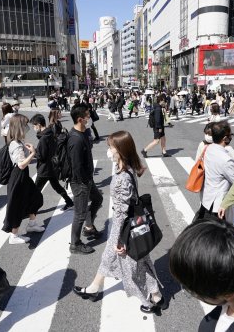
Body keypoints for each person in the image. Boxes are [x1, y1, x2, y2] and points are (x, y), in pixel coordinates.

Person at [73, 131, 166, 314]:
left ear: (120, 150)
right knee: (116, 259)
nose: (108, 150)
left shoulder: (123, 176)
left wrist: (121, 241)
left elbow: (123, 212)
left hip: (123, 227)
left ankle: (151, 301)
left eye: (111, 147)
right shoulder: (125, 166)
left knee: (132, 265)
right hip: (123, 224)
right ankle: (95, 288)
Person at [2, 114, 45, 244]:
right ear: (19, 127)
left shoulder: (18, 141)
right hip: (18, 176)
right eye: (25, 125)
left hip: (23, 176)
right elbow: (21, 164)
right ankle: (13, 236)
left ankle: (32, 224)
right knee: (17, 206)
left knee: (35, 198)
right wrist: (32, 153)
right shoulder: (15, 144)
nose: (27, 127)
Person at [68, 105, 104, 254]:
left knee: (97, 199)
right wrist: (85, 182)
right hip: (80, 181)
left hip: (87, 178)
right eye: (87, 116)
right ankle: (75, 244)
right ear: (80, 119)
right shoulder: (75, 139)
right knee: (80, 213)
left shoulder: (83, 132)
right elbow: (76, 166)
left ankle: (89, 228)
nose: (90, 118)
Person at [195, 122, 234, 220]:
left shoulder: (208, 148)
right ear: (225, 138)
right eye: (230, 135)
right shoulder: (226, 159)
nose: (231, 137)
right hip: (217, 204)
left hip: (206, 198)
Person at [30, 113, 74, 210]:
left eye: (34, 125)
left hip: (44, 169)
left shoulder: (43, 138)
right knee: (56, 186)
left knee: (36, 190)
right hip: (52, 166)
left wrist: (33, 152)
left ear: (39, 124)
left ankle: (30, 210)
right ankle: (69, 202)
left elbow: (42, 156)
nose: (33, 128)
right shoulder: (50, 133)